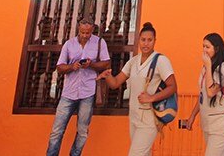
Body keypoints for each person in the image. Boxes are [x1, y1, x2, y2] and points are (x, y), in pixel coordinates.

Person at [98, 22, 177, 156]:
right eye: (143, 40)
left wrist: (152, 97)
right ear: (138, 40)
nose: (146, 43)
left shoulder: (161, 60)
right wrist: (107, 75)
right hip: (134, 118)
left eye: (149, 40)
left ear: (155, 41)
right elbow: (115, 83)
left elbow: (173, 86)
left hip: (149, 119)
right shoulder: (133, 61)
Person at [45, 18, 111, 156]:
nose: (85, 35)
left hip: (88, 92)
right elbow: (59, 67)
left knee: (82, 132)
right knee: (57, 131)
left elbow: (106, 63)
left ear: (92, 29)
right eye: (82, 32)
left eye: (88, 32)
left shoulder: (99, 42)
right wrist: (72, 66)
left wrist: (91, 65)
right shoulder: (69, 44)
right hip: (68, 93)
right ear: (78, 30)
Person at [180, 33, 224, 155]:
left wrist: (208, 67)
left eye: (207, 47)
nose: (204, 50)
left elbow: (210, 92)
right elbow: (202, 95)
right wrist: (192, 116)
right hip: (208, 123)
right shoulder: (205, 69)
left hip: (220, 124)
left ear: (217, 49)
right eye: (203, 46)